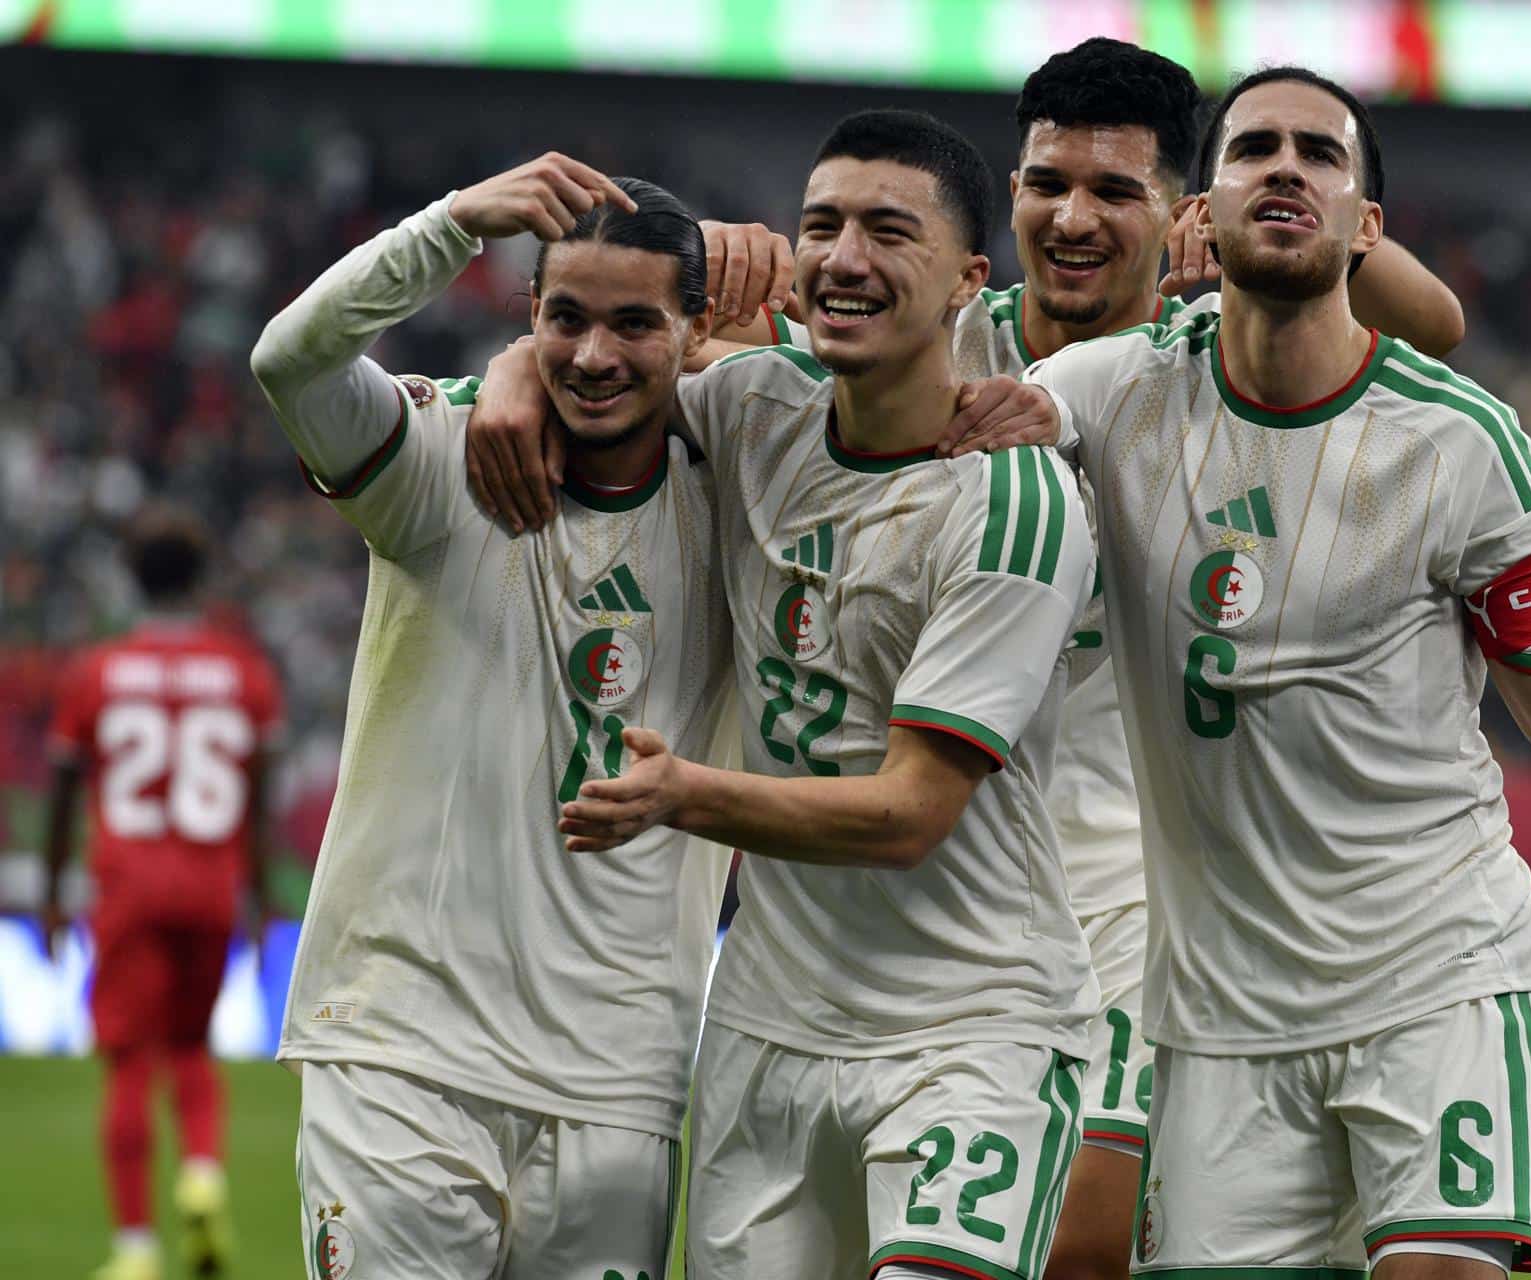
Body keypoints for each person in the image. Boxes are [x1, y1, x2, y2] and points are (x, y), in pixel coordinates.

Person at [465, 40, 1466, 1280]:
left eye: (1117, 192)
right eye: (1049, 183)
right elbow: (640, 355)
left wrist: (1293, 211)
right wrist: (516, 366)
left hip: (1125, 899)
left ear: (1183, 213)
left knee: (1088, 1246)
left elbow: (1438, 323)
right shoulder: (926, 327)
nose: (1076, 217)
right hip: (866, 920)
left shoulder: (1209, 357)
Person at [1008, 67, 1531, 1277]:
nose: (1285, 167)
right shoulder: (1102, 394)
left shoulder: (1460, 442)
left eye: (1320, 154)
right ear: (1201, 208)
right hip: (1217, 1022)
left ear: (1367, 228)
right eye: (1253, 149)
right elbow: (929, 437)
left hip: (1432, 983)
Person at [551, 109, 1097, 1280]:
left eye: (887, 231)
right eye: (821, 226)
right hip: (766, 1026)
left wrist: (683, 792)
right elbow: (597, 359)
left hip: (972, 1026)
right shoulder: (753, 408)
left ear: (968, 280)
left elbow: (908, 814)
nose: (844, 257)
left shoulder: (1016, 506)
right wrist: (508, 375)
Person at [249, 155, 738, 1280]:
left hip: (619, 1081)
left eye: (635, 323)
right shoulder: (435, 461)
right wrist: (453, 223)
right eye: (562, 318)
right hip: (402, 1056)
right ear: (527, 311)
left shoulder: (745, 486)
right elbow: (291, 359)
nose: (594, 354)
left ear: (695, 330)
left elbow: (873, 385)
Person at [43, 504, 285, 1280]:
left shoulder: (99, 670)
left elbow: (61, 788)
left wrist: (52, 893)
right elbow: (261, 794)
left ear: (132, 578)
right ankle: (204, 1177)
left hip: (127, 887)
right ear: (202, 579)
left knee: (127, 1063)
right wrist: (257, 896)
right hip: (212, 886)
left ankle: (138, 1248)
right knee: (191, 1048)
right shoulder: (244, 670)